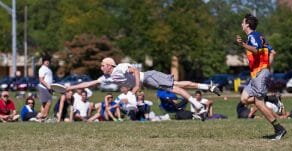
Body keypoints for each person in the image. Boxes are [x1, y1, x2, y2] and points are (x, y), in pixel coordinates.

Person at [67, 57, 221, 114]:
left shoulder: (119, 67)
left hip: (148, 76)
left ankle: (198, 106)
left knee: (175, 88)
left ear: (109, 65)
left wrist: (136, 86)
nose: (101, 67)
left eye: (103, 65)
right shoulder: (107, 77)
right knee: (179, 85)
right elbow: (90, 83)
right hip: (148, 80)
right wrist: (70, 88)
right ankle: (208, 87)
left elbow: (135, 70)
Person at [236, 13, 286, 140]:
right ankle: (270, 99)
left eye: (243, 22)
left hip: (259, 74)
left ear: (247, 24)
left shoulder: (252, 36)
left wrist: (242, 44)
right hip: (256, 74)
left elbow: (256, 49)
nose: (241, 24)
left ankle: (279, 129)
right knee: (244, 99)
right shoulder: (259, 36)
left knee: (259, 103)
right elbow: (273, 52)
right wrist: (266, 67)